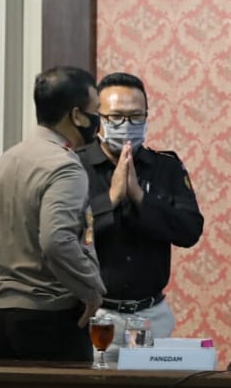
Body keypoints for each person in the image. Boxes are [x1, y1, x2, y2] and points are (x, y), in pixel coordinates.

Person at [76, 73, 204, 359]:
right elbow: (64, 233)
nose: (126, 125)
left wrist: (140, 198)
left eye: (136, 117)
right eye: (116, 117)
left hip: (150, 314)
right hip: (95, 314)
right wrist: (111, 199)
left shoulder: (165, 167)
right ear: (98, 118)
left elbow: (189, 230)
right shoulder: (75, 165)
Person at [0, 66, 106, 360]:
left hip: (2, 313)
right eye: (96, 111)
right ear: (77, 115)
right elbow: (56, 240)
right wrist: (91, 290)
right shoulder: (64, 166)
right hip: (50, 315)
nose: (98, 120)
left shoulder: (5, 160)